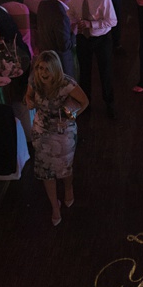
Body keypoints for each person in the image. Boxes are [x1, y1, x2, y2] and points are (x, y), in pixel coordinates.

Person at [25, 52, 88, 225]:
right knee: (46, 171)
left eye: (47, 69)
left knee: (64, 167)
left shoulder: (67, 83)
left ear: (56, 69)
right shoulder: (34, 80)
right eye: (40, 68)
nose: (43, 73)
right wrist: (29, 101)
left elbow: (85, 102)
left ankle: (68, 188)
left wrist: (72, 117)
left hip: (63, 131)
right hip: (42, 129)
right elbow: (28, 96)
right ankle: (54, 205)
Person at [66, 0, 118, 119]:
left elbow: (113, 21)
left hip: (102, 38)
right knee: (84, 71)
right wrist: (75, 23)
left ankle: (109, 103)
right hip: (83, 38)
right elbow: (70, 13)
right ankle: (85, 103)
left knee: (105, 71)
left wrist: (91, 24)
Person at [32, 0, 76, 80]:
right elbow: (64, 46)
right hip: (59, 63)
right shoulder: (61, 16)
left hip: (44, 56)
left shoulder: (43, 4)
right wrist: (73, 32)